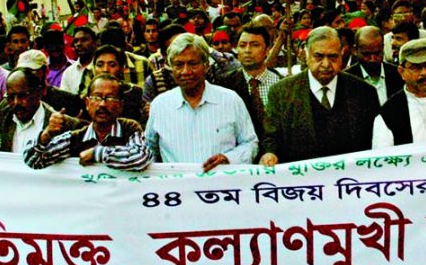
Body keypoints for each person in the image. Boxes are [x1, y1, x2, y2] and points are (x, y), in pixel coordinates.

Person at [259, 27, 380, 164]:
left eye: (333, 57)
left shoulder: (364, 92)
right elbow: (271, 137)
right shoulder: (281, 92)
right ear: (306, 54)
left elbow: (377, 140)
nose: (326, 64)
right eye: (319, 56)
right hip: (303, 179)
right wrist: (270, 153)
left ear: (342, 54)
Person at [145, 33, 257, 172]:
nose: (186, 71)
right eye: (179, 65)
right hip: (177, 191)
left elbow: (250, 143)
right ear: (170, 67)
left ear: (206, 65)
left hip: (223, 188)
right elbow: (150, 151)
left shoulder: (230, 100)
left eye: (193, 64)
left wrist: (229, 159)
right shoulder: (160, 105)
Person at [23, 74, 152, 171]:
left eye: (110, 98)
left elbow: (141, 157)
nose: (102, 104)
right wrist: (46, 135)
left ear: (121, 105)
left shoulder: (129, 128)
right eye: (97, 97)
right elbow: (32, 161)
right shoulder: (76, 137)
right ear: (87, 103)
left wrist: (97, 153)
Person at [372, 38, 426, 147]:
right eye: (416, 68)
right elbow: (383, 159)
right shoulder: (389, 114)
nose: (424, 73)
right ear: (401, 72)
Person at [215, 22, 283, 138]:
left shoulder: (280, 83)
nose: (247, 50)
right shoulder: (225, 84)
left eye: (255, 45)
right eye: (242, 45)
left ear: (267, 50)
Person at [345, 26, 403, 105]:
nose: (372, 59)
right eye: (366, 54)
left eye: (377, 53)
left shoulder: (398, 75)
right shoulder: (346, 80)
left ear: (382, 48)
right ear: (355, 51)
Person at [60, 26, 98, 95]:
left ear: (94, 43)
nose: (79, 44)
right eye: (76, 41)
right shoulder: (68, 73)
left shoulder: (102, 67)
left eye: (84, 40)